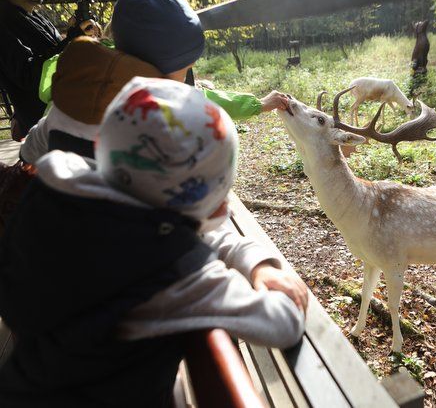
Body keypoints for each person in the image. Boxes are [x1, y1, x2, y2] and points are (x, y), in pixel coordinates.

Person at [0, 77, 307, 407]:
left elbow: (156, 223)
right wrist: (270, 269)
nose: (226, 205)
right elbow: (282, 323)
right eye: (221, 191)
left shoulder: (57, 198)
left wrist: (246, 256)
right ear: (204, 200)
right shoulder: (176, 277)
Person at [20, 0, 289, 164]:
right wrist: (257, 104)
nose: (187, 80)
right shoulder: (158, 112)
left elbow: (31, 147)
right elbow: (205, 101)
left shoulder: (77, 92)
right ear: (154, 69)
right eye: (185, 69)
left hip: (53, 222)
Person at [0, 0, 91, 141]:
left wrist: (77, 35)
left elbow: (54, 52)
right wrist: (72, 40)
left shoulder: (32, 14)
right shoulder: (4, 21)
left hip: (66, 118)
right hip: (47, 131)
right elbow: (28, 75)